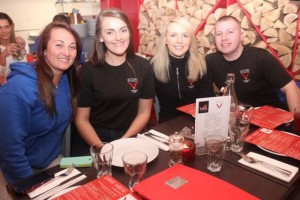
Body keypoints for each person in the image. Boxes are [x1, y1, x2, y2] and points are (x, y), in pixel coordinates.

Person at [0, 22, 82, 186]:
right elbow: (10, 150)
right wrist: (31, 185)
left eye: (72, 47)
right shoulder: (18, 89)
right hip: (24, 170)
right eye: (59, 45)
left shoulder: (65, 79)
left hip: (52, 161)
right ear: (44, 50)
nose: (66, 52)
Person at [74, 8, 154, 154]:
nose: (118, 37)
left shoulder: (143, 67)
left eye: (123, 30)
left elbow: (144, 112)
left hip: (130, 134)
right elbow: (81, 119)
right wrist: (103, 148)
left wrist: (123, 142)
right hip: (94, 137)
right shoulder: (88, 70)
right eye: (110, 32)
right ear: (100, 37)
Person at [206, 15, 300, 112]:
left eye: (230, 32)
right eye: (219, 34)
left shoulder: (261, 57)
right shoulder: (210, 61)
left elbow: (291, 88)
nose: (224, 38)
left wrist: (296, 123)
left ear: (241, 34)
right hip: (238, 119)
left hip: (270, 117)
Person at [151, 17, 215, 123]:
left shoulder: (201, 64)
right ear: (165, 39)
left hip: (196, 123)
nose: (179, 41)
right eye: (173, 35)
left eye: (185, 35)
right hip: (167, 124)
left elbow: (208, 101)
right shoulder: (153, 65)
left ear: (190, 40)